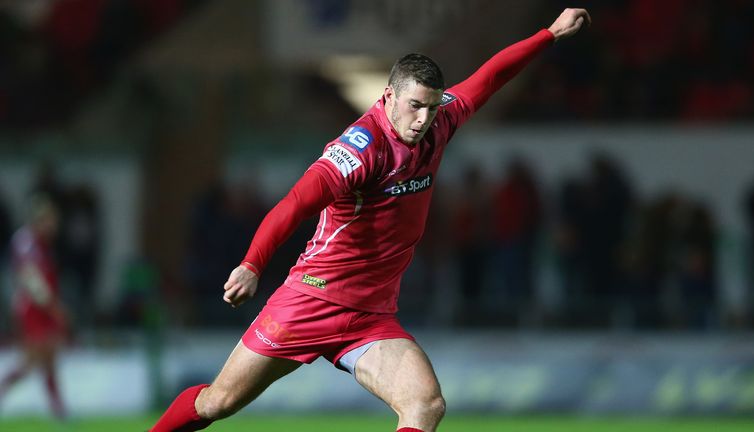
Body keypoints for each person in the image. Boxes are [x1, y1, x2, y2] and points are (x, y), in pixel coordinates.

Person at [150, 8, 591, 432]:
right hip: (311, 301)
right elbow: (295, 204)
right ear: (388, 97)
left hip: (369, 316)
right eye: (415, 105)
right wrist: (252, 264)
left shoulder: (441, 120)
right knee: (218, 402)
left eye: (432, 107)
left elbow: (489, 77)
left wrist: (548, 34)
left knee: (426, 403)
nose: (423, 119)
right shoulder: (360, 149)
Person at [0, 196, 69, 419]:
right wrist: (52, 306)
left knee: (49, 359)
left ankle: (59, 410)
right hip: (32, 309)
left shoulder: (43, 243)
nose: (53, 226)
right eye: (49, 220)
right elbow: (31, 279)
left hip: (43, 308)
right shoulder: (26, 242)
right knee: (32, 361)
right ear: (39, 220)